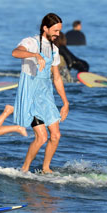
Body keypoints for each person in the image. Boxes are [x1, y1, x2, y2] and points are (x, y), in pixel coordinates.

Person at [12, 13, 69, 173]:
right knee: (42, 137)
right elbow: (15, 53)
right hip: (30, 95)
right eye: (55, 30)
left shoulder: (54, 49)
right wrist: (35, 55)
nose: (58, 34)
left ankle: (45, 168)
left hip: (46, 96)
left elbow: (57, 77)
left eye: (59, 31)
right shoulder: (30, 42)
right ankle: (24, 169)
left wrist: (65, 102)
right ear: (45, 28)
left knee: (56, 135)